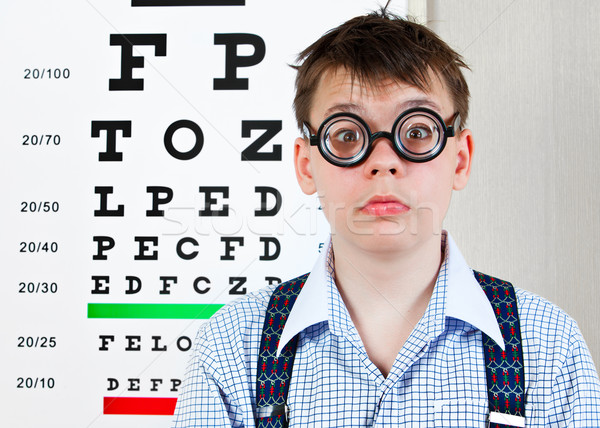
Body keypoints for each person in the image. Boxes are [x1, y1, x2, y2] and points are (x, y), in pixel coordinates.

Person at [172, 8, 600, 427]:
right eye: (346, 135)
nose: (383, 162)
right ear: (306, 165)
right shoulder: (231, 348)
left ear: (461, 159)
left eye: (416, 131)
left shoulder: (550, 347)